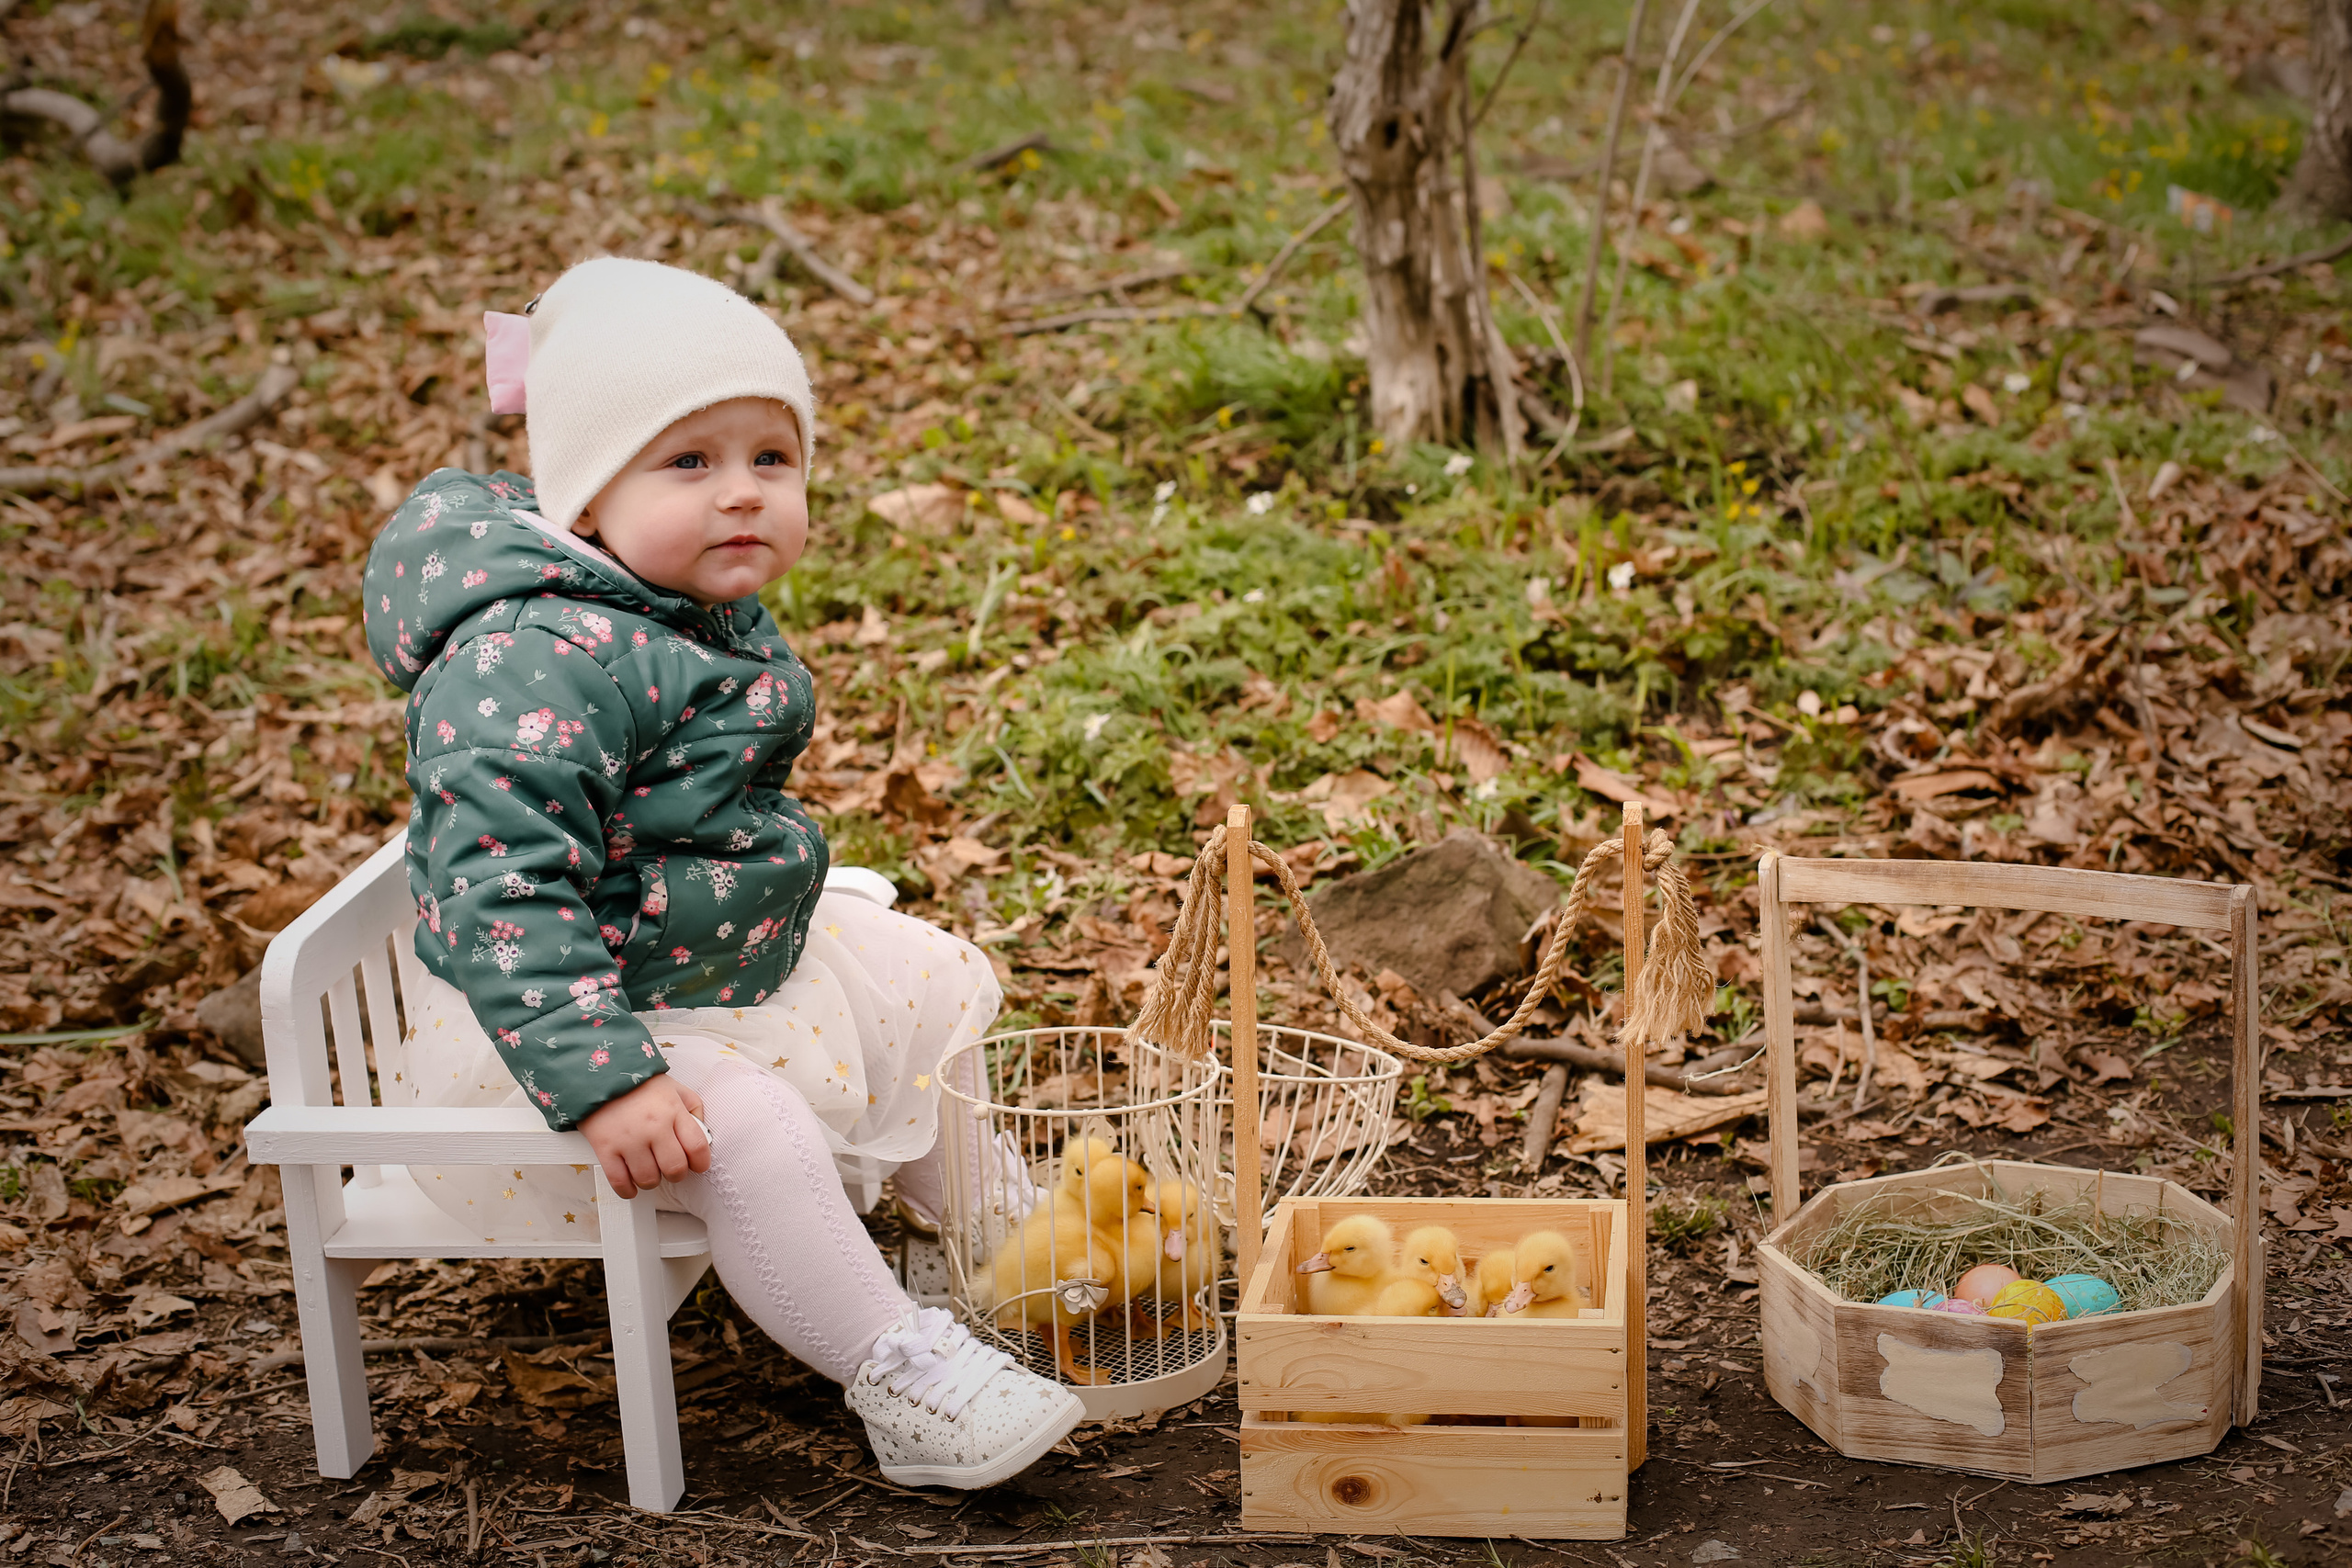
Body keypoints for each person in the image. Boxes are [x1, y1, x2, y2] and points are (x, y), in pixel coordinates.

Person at [360, 256, 1080, 1489]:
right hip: (554, 1021)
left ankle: (1008, 1235)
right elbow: (503, 896)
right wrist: (605, 1079)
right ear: (588, 497)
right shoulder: (529, 661)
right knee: (741, 1131)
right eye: (689, 461)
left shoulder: (666, 594)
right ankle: (899, 1372)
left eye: (771, 457)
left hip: (677, 953)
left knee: (918, 980)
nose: (742, 491)